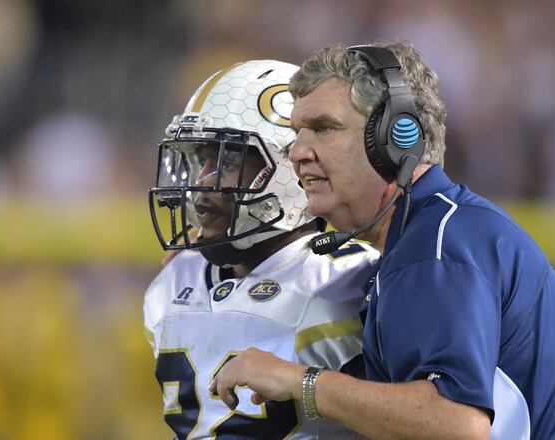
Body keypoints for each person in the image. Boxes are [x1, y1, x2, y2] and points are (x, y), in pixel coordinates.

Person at [211, 43, 555, 439]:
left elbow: (456, 422)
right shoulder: (432, 233)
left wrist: (298, 381)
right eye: (298, 132)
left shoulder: (436, 246)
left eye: (324, 128)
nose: (298, 151)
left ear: (398, 139)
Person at [144, 59, 379, 439]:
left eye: (228, 159)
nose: (202, 183)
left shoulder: (350, 281)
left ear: (290, 165)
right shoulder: (175, 278)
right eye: (200, 160)